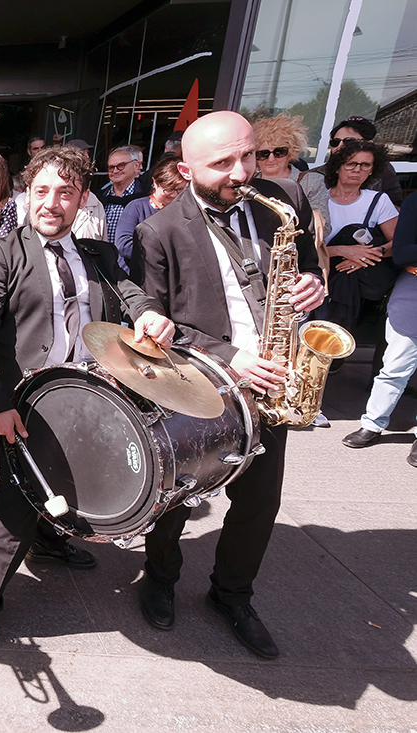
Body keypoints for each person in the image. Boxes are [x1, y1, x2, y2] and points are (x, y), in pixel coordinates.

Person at [0, 144, 175, 670]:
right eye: (42, 190)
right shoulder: (4, 250)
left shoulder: (96, 252)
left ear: (81, 201)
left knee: (69, 482)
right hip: (27, 399)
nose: (52, 202)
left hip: (89, 393)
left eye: (66, 192)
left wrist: (148, 314)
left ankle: (50, 541)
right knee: (16, 506)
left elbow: (129, 292)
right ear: (27, 194)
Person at [133, 111, 325, 659]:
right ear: (186, 169)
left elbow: (307, 267)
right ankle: (160, 578)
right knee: (175, 497)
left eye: (249, 155)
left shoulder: (283, 199)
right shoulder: (158, 232)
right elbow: (159, 324)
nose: (241, 172)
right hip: (201, 384)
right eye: (222, 163)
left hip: (275, 380)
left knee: (259, 501)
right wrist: (229, 355)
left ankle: (233, 594)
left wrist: (313, 286)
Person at [342, 191, 417, 468]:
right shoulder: (415, 201)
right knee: (394, 366)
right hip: (414, 287)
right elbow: (402, 251)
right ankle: (372, 424)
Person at [315, 140, 398, 335]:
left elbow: (398, 243)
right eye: (351, 163)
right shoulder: (318, 198)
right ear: (338, 167)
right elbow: (304, 246)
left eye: (365, 165)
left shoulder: (378, 200)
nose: (357, 170)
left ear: (372, 170)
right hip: (321, 272)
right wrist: (342, 251)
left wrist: (366, 255)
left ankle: (334, 341)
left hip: (356, 280)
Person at [252, 115, 329, 239]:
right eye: (263, 154)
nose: (271, 159)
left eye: (279, 152)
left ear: (291, 153)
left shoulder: (310, 182)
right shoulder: (247, 182)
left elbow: (323, 228)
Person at [114, 157, 187, 276]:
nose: (174, 195)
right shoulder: (136, 207)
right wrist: (163, 254)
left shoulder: (185, 209)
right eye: (168, 190)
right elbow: (123, 244)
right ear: (155, 183)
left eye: (180, 189)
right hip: (140, 276)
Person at [97, 145, 149, 245]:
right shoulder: (100, 197)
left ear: (136, 166)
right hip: (102, 258)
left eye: (121, 166)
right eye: (111, 167)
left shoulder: (145, 197)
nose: (115, 171)